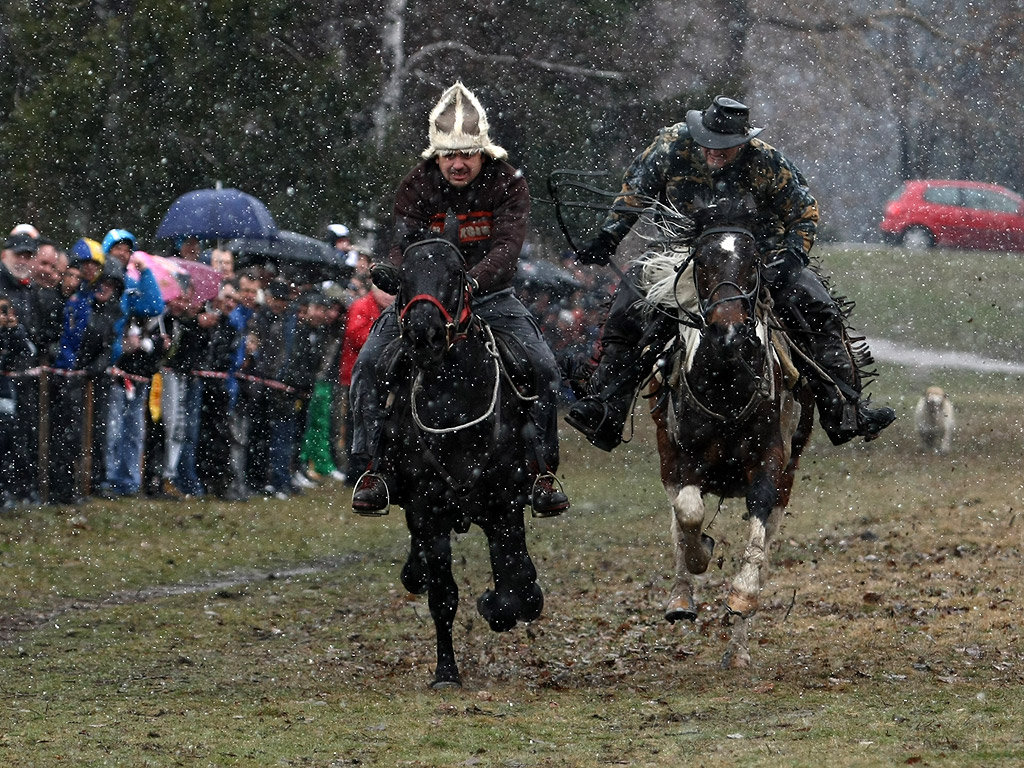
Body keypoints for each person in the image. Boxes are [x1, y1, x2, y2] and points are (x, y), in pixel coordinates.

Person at [566, 95, 896, 451]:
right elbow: (634, 195)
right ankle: (605, 408)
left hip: (757, 256)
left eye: (724, 148)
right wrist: (608, 236)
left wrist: (791, 259)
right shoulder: (670, 146)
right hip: (683, 252)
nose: (714, 152)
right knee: (627, 304)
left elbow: (804, 211)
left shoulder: (767, 161)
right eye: (709, 143)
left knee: (818, 307)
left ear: (743, 142)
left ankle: (845, 408)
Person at [349, 81, 569, 516]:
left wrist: (469, 282)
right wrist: (395, 272)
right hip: (425, 300)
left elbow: (506, 250)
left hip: (489, 296)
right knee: (369, 364)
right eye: (449, 154)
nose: (458, 163)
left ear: (483, 152)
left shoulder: (508, 184)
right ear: (436, 156)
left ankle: (543, 472)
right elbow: (402, 244)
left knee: (543, 367)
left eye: (466, 153)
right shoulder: (416, 185)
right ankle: (371, 468)